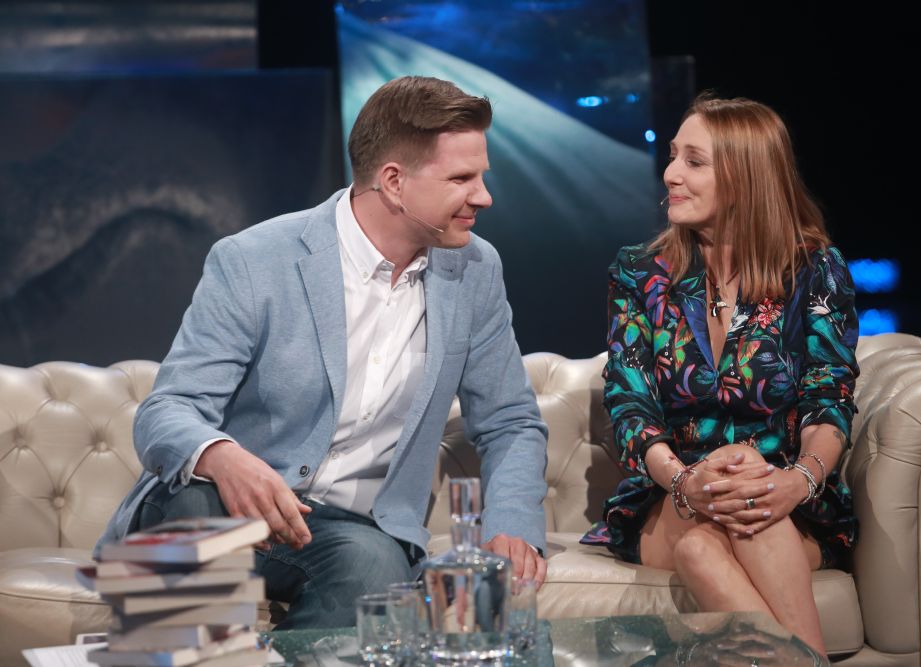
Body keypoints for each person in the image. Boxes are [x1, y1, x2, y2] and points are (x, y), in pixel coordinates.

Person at [96, 76, 548, 628]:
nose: (483, 196)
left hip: (349, 533)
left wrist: (512, 526)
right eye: (461, 178)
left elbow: (509, 420)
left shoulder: (475, 269)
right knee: (195, 508)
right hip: (226, 506)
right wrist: (224, 457)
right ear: (394, 182)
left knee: (372, 566)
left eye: (481, 176)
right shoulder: (254, 259)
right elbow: (167, 411)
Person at [581, 93, 859, 656]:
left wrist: (794, 481)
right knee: (720, 520)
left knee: (718, 537)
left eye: (694, 161)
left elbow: (828, 395)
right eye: (673, 156)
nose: (671, 174)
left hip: (784, 495)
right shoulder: (639, 274)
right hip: (673, 495)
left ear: (744, 177)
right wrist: (687, 480)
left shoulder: (813, 269)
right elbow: (630, 407)